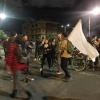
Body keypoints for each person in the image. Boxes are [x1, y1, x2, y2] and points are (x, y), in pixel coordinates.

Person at [5, 33, 32, 99]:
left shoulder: (12, 45)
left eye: (15, 36)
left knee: (16, 80)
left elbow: (10, 56)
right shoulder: (14, 45)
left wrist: (8, 65)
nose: (14, 37)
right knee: (15, 79)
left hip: (14, 64)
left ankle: (26, 92)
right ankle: (14, 92)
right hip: (15, 64)